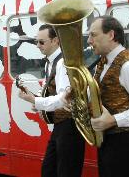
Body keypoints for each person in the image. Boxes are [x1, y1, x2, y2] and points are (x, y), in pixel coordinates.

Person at [88, 16, 129, 177]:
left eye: (93, 35)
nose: (89, 40)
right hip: (107, 139)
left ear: (111, 35)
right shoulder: (102, 62)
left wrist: (113, 120)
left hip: (123, 141)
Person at [18, 24, 85, 177]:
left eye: (41, 42)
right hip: (61, 126)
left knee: (65, 172)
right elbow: (53, 94)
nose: (37, 46)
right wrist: (37, 101)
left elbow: (64, 100)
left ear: (55, 41)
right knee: (49, 170)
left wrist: (36, 101)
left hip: (71, 125)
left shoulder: (63, 63)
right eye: (36, 42)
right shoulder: (51, 62)